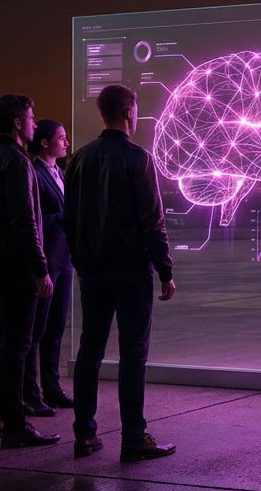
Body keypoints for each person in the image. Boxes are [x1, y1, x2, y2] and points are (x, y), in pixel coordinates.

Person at [64, 84, 177, 462]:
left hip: (93, 272)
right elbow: (152, 221)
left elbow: (70, 221)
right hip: (131, 272)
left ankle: (84, 435)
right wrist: (165, 270)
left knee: (89, 351)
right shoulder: (138, 159)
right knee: (133, 355)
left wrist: (80, 265)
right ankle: (133, 436)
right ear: (129, 113)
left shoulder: (78, 159)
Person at [0, 94, 59, 448]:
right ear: (19, 123)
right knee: (17, 345)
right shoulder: (18, 163)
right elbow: (25, 221)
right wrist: (40, 269)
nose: (35, 125)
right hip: (15, 267)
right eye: (32, 119)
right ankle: (15, 425)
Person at [24, 119, 75, 412]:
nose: (66, 143)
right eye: (61, 138)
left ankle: (52, 387)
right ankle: (30, 393)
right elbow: (37, 218)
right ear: (44, 143)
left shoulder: (60, 173)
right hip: (46, 260)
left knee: (55, 328)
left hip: (64, 260)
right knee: (36, 330)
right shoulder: (33, 173)